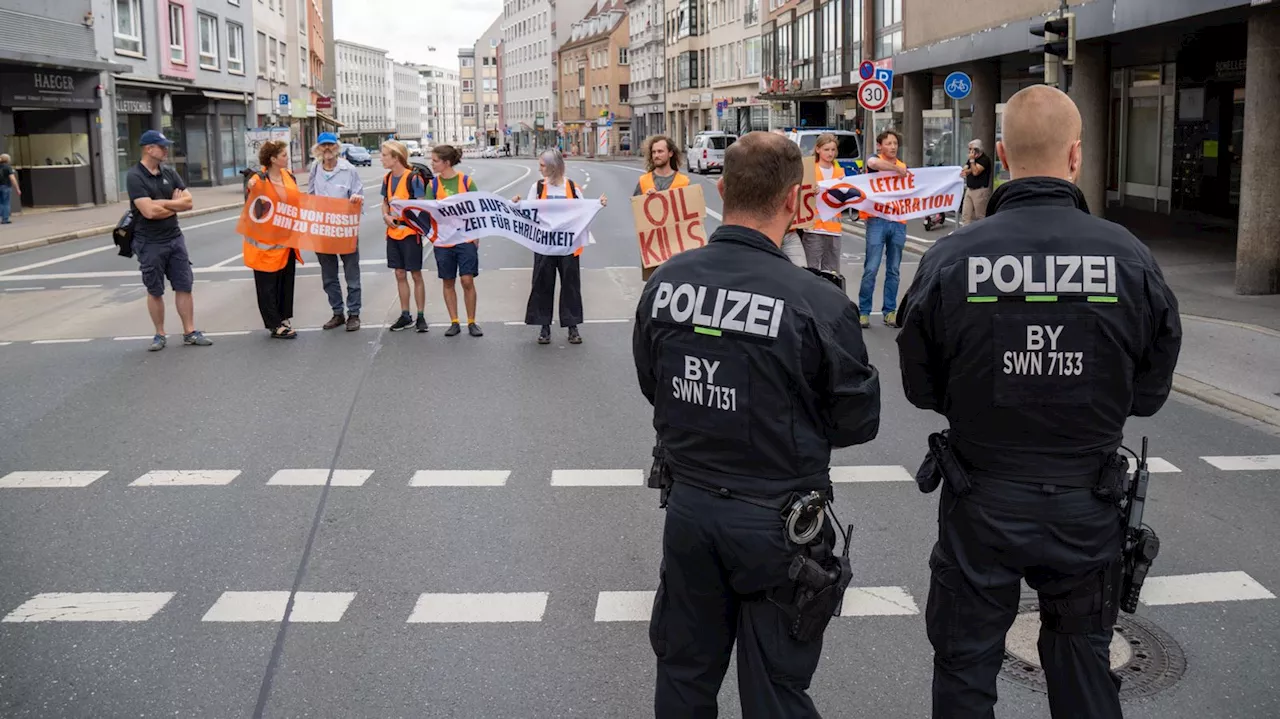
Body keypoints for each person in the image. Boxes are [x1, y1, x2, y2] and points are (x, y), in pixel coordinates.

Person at [895, 85, 1182, 719]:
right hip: (1088, 502)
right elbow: (1150, 392)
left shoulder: (952, 257)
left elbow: (921, 385)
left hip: (981, 500)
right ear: (1076, 156)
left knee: (965, 666)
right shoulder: (1129, 258)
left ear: (1000, 153)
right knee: (1083, 663)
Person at [633, 131, 881, 717]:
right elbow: (856, 422)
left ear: (721, 190)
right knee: (775, 692)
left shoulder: (666, 283)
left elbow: (655, 386)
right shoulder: (818, 302)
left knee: (684, 678)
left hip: (691, 511)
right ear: (797, 201)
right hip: (780, 525)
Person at [126, 130, 213, 351]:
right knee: (155, 289)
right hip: (149, 241)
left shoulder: (170, 172)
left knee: (184, 285)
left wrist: (162, 204)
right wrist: (172, 205)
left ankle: (190, 331)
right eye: (162, 146)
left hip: (174, 238)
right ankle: (160, 334)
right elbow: (148, 212)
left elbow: (189, 202)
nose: (166, 150)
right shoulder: (135, 176)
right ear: (148, 149)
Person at [512, 148, 607, 345]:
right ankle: (544, 327)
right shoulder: (537, 188)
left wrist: (598, 204)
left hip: (567, 247)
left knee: (570, 286)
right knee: (542, 285)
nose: (539, 169)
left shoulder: (572, 188)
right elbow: (528, 213)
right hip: (545, 246)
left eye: (542, 165)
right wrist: (517, 205)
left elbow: (583, 211)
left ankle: (572, 326)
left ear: (553, 167)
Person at [244, 140, 302, 339]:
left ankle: (284, 317)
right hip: (265, 244)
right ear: (273, 159)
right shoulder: (257, 179)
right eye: (284, 155)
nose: (287, 157)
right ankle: (274, 324)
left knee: (286, 281)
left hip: (286, 242)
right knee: (266, 285)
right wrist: (251, 186)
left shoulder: (289, 176)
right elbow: (253, 210)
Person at [309, 132, 365, 331]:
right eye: (323, 145)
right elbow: (310, 196)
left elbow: (359, 195)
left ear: (337, 147)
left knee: (351, 274)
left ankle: (354, 314)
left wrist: (356, 200)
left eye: (330, 145)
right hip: (323, 231)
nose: (327, 149)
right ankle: (337, 312)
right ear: (318, 148)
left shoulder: (348, 170)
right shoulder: (315, 169)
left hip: (345, 230)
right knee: (329, 276)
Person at [427, 144, 483, 337]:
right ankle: (454, 321)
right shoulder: (432, 185)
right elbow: (427, 210)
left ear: (446, 162)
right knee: (448, 281)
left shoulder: (466, 182)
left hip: (465, 238)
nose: (431, 164)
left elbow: (478, 207)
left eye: (435, 161)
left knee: (467, 280)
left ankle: (472, 321)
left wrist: (476, 234)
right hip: (443, 240)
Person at [859, 129, 910, 329]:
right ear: (880, 146)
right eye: (888, 143)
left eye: (895, 143)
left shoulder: (903, 166)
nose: (893, 147)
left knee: (894, 270)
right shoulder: (876, 161)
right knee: (871, 268)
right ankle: (864, 312)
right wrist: (896, 170)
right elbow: (873, 164)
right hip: (877, 220)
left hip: (898, 221)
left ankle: (890, 311)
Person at [381, 140, 430, 333]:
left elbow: (421, 205)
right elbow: (385, 201)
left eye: (385, 155)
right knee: (399, 273)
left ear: (396, 157)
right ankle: (405, 314)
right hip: (393, 231)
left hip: (409, 232)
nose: (381, 159)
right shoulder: (387, 178)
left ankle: (420, 315)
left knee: (415, 273)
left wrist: (404, 204)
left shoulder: (413, 178)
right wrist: (385, 215)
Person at [802, 133, 847, 275]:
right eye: (826, 149)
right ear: (818, 149)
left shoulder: (840, 172)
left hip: (834, 230)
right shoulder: (810, 169)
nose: (830, 153)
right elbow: (800, 194)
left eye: (833, 150)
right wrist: (810, 190)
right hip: (814, 229)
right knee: (812, 272)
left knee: (832, 274)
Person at [960, 139, 993, 225]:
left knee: (980, 216)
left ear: (977, 150)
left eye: (971, 149)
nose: (970, 151)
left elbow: (975, 172)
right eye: (969, 149)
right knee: (966, 215)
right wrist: (965, 170)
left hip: (980, 191)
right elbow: (965, 169)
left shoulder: (984, 160)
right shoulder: (971, 160)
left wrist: (972, 160)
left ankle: (983, 235)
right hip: (969, 189)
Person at [0, 153, 19, 224]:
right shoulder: (8, 167)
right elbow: (12, 178)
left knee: (1, 203)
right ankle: (5, 219)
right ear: (8, 160)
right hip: (6, 186)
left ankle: (1, 216)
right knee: (6, 203)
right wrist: (17, 188)